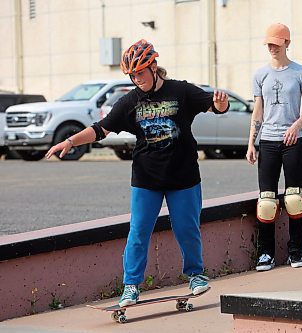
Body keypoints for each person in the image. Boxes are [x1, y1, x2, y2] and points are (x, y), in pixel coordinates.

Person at [46, 39, 229, 307]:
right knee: (139, 232)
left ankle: (196, 275)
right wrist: (71, 141)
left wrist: (221, 103)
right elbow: (101, 129)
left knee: (187, 228)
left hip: (184, 176)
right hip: (146, 179)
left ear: (154, 66)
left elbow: (215, 107)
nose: (136, 79)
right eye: (132, 75)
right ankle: (131, 286)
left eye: (140, 73)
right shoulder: (129, 101)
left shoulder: (181, 91)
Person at [246, 23, 302, 271]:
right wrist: (251, 142)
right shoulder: (260, 75)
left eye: (277, 43)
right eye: (269, 44)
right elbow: (258, 110)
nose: (272, 48)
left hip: (293, 142)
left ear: (287, 42)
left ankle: (295, 251)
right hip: (268, 142)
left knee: (294, 197)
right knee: (267, 201)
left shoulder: (301, 72)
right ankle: (266, 253)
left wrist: (295, 126)